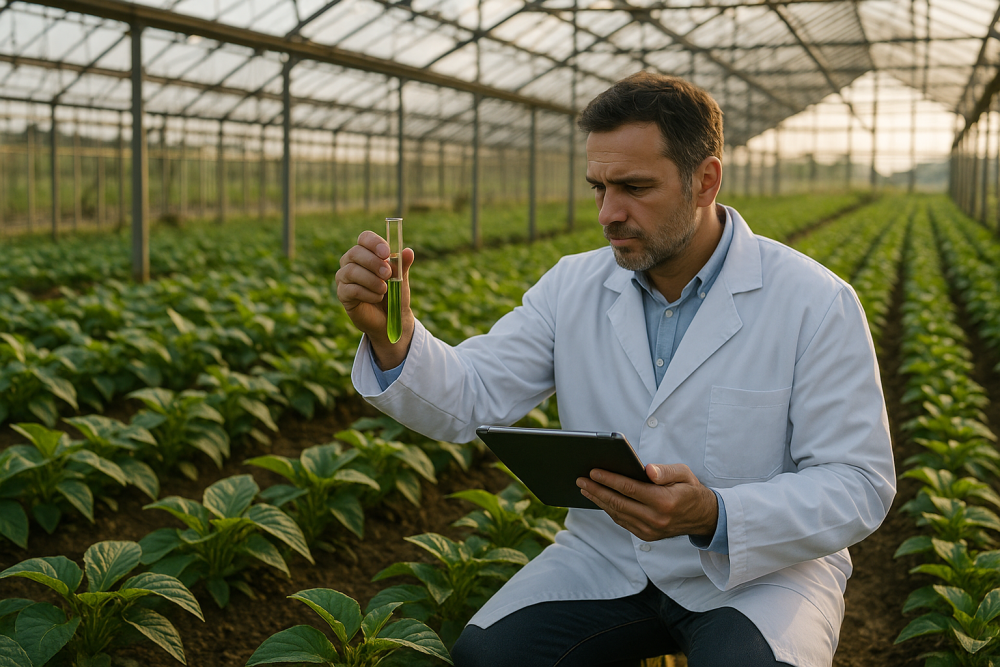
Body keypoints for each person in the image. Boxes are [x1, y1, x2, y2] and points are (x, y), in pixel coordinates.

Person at [335, 72, 895, 667]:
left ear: (705, 180)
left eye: (634, 187)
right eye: (598, 186)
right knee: (488, 657)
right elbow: (472, 396)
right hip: (607, 556)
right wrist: (388, 332)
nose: (609, 212)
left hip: (759, 571)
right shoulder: (572, 286)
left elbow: (858, 481)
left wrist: (715, 513)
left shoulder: (813, 301)